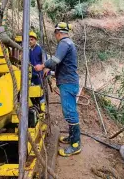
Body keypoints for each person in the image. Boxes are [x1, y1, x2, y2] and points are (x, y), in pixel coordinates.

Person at [34, 22, 81, 157]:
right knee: (69, 111)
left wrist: (42, 66)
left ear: (58, 33)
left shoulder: (64, 43)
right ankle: (72, 138)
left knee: (70, 112)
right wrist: (50, 68)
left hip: (68, 82)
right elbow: (60, 63)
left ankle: (75, 145)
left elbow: (55, 60)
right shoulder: (69, 43)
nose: (55, 36)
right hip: (68, 81)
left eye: (55, 34)